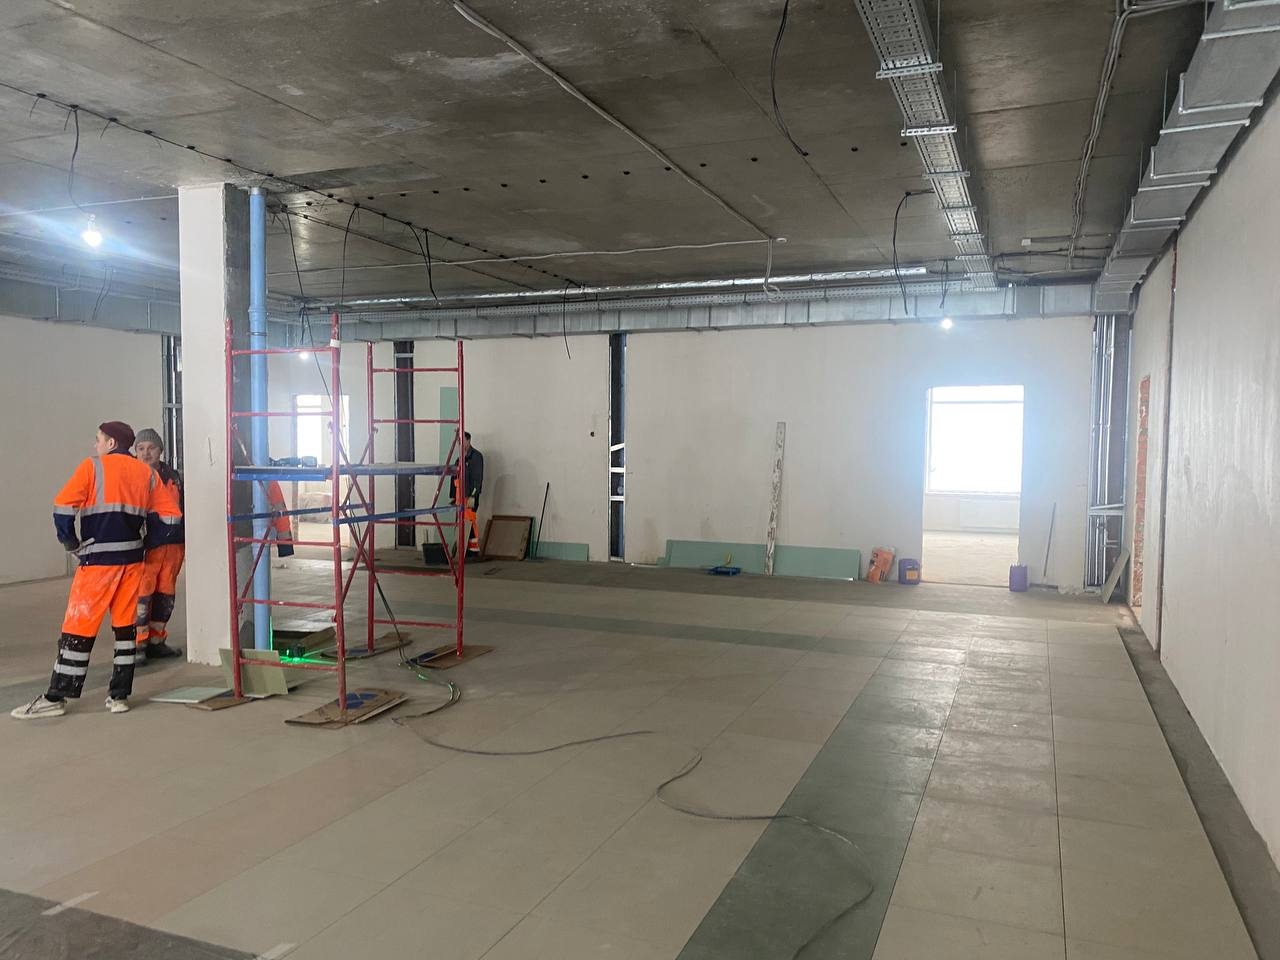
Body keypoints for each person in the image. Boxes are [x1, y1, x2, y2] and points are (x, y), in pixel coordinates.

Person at [11, 421, 182, 720]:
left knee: (78, 627)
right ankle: (119, 696)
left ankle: (57, 696)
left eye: (99, 439)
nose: (96, 445)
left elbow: (63, 508)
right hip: (132, 562)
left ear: (111, 443)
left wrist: (71, 543)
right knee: (126, 629)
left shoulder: (92, 467)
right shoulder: (147, 474)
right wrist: (147, 542)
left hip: (97, 563)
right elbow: (171, 517)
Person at [133, 428, 184, 661]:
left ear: (160, 451)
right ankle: (138, 644)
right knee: (142, 594)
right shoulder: (132, 476)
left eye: (151, 448)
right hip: (147, 546)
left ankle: (156, 641)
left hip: (173, 545)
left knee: (166, 594)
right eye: (141, 448)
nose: (146, 453)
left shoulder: (173, 477)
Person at [449, 432, 484, 556]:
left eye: (462, 440)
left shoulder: (476, 457)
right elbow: (454, 478)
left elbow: (477, 478)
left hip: (469, 496)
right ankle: (464, 549)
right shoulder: (459, 459)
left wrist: (473, 495)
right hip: (460, 498)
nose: (460, 443)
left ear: (468, 440)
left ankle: (473, 550)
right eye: (459, 441)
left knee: (470, 521)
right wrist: (453, 496)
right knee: (462, 523)